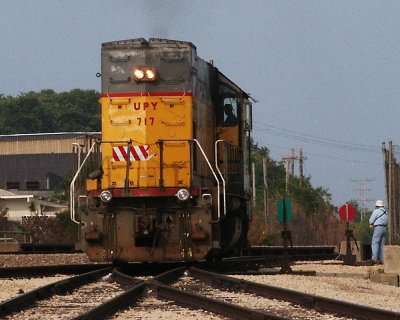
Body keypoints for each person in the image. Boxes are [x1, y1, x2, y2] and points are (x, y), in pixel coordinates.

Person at [368, 200, 388, 264]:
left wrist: (372, 224)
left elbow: (371, 221)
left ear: (377, 206)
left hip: (378, 227)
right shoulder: (386, 212)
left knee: (375, 243)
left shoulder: (376, 211)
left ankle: (374, 259)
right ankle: (382, 259)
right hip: (384, 228)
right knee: (382, 244)